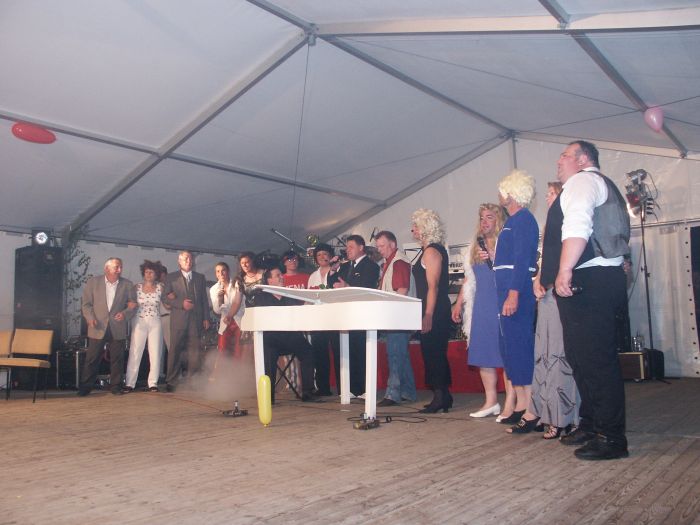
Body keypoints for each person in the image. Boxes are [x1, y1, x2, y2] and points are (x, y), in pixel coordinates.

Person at [544, 140, 630, 460]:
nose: (558, 161)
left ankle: (611, 437)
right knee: (581, 357)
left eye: (564, 155)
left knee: (596, 360)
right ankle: (592, 424)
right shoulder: (596, 184)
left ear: (582, 160)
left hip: (590, 279)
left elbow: (578, 226)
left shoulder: (583, 181)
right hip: (597, 278)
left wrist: (564, 269)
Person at [527, 182, 580, 439]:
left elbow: (563, 260)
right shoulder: (549, 226)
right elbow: (544, 261)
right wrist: (537, 281)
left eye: (551, 193)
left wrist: (546, 281)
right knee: (544, 354)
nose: (548, 197)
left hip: (559, 294)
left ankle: (563, 417)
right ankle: (546, 412)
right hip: (546, 295)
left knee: (559, 355)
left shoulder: (566, 224)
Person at [452, 203, 515, 418]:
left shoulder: (506, 241)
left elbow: (513, 272)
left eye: (489, 217)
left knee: (505, 354)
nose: (484, 222)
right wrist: (459, 303)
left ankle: (511, 403)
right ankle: (490, 401)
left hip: (500, 301)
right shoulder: (475, 245)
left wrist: (494, 255)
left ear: (498, 219)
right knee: (483, 353)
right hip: (480, 304)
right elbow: (469, 277)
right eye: (481, 217)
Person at [492, 169, 540, 433]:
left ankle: (532, 409)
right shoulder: (515, 221)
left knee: (520, 348)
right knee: (510, 349)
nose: (499, 195)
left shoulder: (523, 220)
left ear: (511, 193)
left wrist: (513, 294)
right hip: (507, 292)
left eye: (502, 190)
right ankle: (522, 404)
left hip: (515, 293)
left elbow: (523, 260)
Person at [250, 267, 321, 403]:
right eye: (277, 275)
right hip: (272, 339)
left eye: (281, 275)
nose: (281, 277)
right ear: (269, 280)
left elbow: (300, 311)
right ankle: (268, 397)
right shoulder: (261, 298)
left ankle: (307, 392)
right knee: (268, 357)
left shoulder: (289, 295)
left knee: (308, 352)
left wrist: (310, 302)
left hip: (291, 337)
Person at [410, 209, 453, 413]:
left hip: (435, 308)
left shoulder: (431, 251)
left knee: (434, 352)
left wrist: (428, 314)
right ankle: (443, 395)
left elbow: (433, 287)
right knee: (432, 352)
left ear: (426, 228)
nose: (413, 230)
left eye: (416, 226)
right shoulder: (429, 250)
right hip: (432, 306)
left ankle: (440, 396)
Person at [77, 257, 136, 396]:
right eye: (116, 267)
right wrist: (90, 318)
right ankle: (85, 387)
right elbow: (86, 304)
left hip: (117, 326)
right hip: (97, 326)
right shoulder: (93, 282)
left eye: (120, 267)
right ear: (106, 269)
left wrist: (124, 314)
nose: (119, 270)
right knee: (92, 358)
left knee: (117, 358)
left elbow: (133, 305)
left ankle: (116, 386)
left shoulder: (127, 284)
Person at [333, 234, 380, 397]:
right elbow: (335, 283)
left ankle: (365, 388)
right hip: (347, 314)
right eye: (346, 247)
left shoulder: (371, 266)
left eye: (351, 247)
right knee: (349, 350)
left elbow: (367, 288)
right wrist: (333, 270)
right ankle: (352, 388)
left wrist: (347, 286)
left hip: (363, 314)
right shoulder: (345, 267)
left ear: (361, 248)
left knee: (361, 350)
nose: (348, 250)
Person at [375, 230, 417, 406]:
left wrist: (390, 313)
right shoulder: (392, 262)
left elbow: (402, 290)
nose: (379, 250)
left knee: (394, 354)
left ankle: (393, 394)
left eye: (382, 246)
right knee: (400, 354)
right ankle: (408, 391)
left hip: (398, 317)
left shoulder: (398, 262)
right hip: (398, 316)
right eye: (378, 246)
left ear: (392, 245)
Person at [161, 251, 210, 392]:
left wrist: (206, 317)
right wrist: (181, 303)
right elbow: (165, 298)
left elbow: (204, 300)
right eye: (185, 259)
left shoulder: (200, 277)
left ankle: (193, 381)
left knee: (194, 351)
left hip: (196, 319)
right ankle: (171, 381)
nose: (188, 261)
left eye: (190, 258)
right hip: (178, 320)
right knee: (175, 350)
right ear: (179, 262)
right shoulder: (171, 277)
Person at [124, 260, 164, 393]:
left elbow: (168, 302)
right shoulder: (136, 287)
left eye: (151, 272)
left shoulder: (161, 287)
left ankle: (153, 383)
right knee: (135, 351)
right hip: (139, 321)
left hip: (155, 321)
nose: (149, 274)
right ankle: (130, 383)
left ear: (156, 274)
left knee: (155, 352)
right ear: (143, 273)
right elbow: (129, 303)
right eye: (146, 272)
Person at [307, 244, 339, 396]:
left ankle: (343, 388)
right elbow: (308, 297)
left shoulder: (338, 271)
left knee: (338, 352)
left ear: (331, 255)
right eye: (318, 255)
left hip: (335, 317)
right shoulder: (313, 276)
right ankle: (323, 388)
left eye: (325, 254)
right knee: (319, 353)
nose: (322, 257)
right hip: (318, 319)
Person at [209, 262, 244, 359]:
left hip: (239, 320)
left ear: (228, 271)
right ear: (216, 274)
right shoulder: (213, 289)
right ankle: (223, 368)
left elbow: (238, 303)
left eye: (223, 270)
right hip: (225, 322)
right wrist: (220, 299)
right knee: (222, 349)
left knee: (239, 351)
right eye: (218, 271)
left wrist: (230, 315)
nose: (221, 274)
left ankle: (240, 368)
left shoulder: (237, 284)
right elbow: (217, 311)